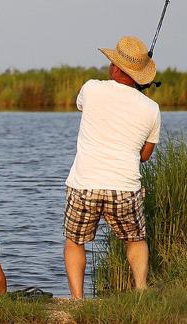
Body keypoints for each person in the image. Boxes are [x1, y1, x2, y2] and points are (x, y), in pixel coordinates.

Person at [63, 35, 161, 299]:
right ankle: (140, 292)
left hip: (85, 185)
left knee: (75, 241)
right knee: (135, 240)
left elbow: (83, 107)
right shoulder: (152, 109)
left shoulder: (91, 88)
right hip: (124, 187)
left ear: (116, 68)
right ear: (140, 75)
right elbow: (144, 156)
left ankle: (77, 301)